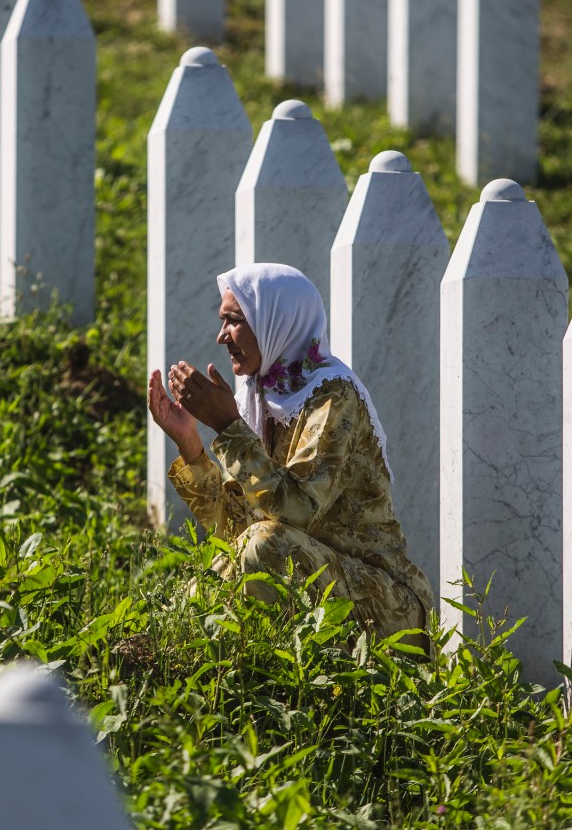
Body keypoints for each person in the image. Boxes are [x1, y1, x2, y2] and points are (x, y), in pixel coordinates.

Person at [146, 263, 433, 649]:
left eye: (233, 321)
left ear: (275, 320)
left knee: (267, 544)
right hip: (319, 586)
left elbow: (297, 512)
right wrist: (190, 444)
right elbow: (235, 529)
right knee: (210, 581)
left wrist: (229, 428)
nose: (221, 336)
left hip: (387, 608)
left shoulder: (335, 395)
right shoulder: (262, 397)